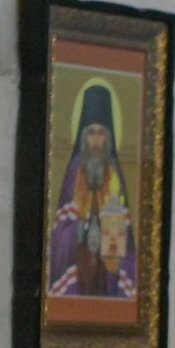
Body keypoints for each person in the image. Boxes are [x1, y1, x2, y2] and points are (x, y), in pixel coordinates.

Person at [48, 83, 136, 300]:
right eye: (92, 133)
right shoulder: (74, 173)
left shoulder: (115, 174)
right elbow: (60, 236)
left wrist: (112, 238)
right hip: (80, 262)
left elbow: (128, 242)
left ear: (109, 138)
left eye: (101, 134)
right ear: (84, 137)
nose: (96, 140)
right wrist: (81, 231)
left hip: (108, 271)